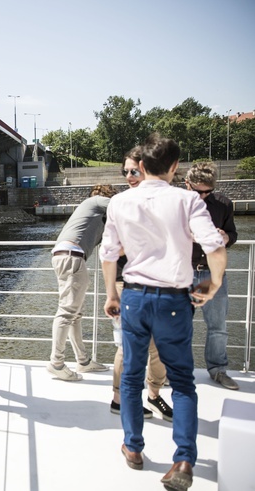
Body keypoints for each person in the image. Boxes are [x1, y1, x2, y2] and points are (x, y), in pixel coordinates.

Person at [100, 134, 226, 491]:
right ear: (174, 167)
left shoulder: (120, 202)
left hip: (134, 296)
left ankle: (133, 448)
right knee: (183, 381)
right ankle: (184, 458)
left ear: (140, 166)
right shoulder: (188, 200)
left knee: (131, 376)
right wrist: (210, 287)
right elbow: (214, 246)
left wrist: (111, 293)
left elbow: (109, 253)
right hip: (174, 300)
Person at [110, 148, 172, 422]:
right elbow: (114, 250)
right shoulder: (120, 204)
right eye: (125, 172)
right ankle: (118, 399)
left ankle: (155, 396)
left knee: (160, 346)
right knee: (129, 346)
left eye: (134, 171)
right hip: (128, 285)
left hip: (161, 284)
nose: (129, 177)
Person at [46, 184, 114, 381]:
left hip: (67, 256)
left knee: (74, 313)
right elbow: (120, 206)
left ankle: (83, 361)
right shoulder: (95, 200)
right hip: (72, 257)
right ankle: (56, 363)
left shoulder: (96, 218)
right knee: (67, 312)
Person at [185, 161, 239, 390]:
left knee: (217, 326)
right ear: (187, 184)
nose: (204, 196)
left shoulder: (223, 204)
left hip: (209, 275)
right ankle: (177, 371)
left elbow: (233, 233)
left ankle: (218, 370)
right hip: (183, 273)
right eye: (198, 191)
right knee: (179, 326)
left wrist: (225, 238)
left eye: (208, 191)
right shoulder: (177, 204)